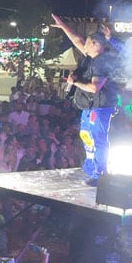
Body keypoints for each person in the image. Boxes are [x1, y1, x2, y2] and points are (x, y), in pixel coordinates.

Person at [52, 13, 122, 186]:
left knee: (97, 137)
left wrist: (75, 82)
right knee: (87, 135)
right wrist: (63, 26)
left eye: (88, 42)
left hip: (100, 106)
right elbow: (77, 40)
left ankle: (100, 173)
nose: (85, 45)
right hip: (89, 105)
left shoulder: (102, 62)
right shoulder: (92, 57)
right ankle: (92, 168)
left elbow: (94, 87)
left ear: (94, 44)